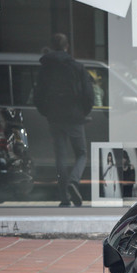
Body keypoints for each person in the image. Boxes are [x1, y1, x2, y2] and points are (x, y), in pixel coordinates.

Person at [34, 33, 94, 207]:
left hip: (54, 117)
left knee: (60, 157)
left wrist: (47, 112)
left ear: (52, 46)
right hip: (74, 117)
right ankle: (74, 181)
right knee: (81, 153)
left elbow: (38, 95)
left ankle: (64, 198)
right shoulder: (76, 67)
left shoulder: (45, 67)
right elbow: (88, 95)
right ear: (67, 47)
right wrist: (82, 112)